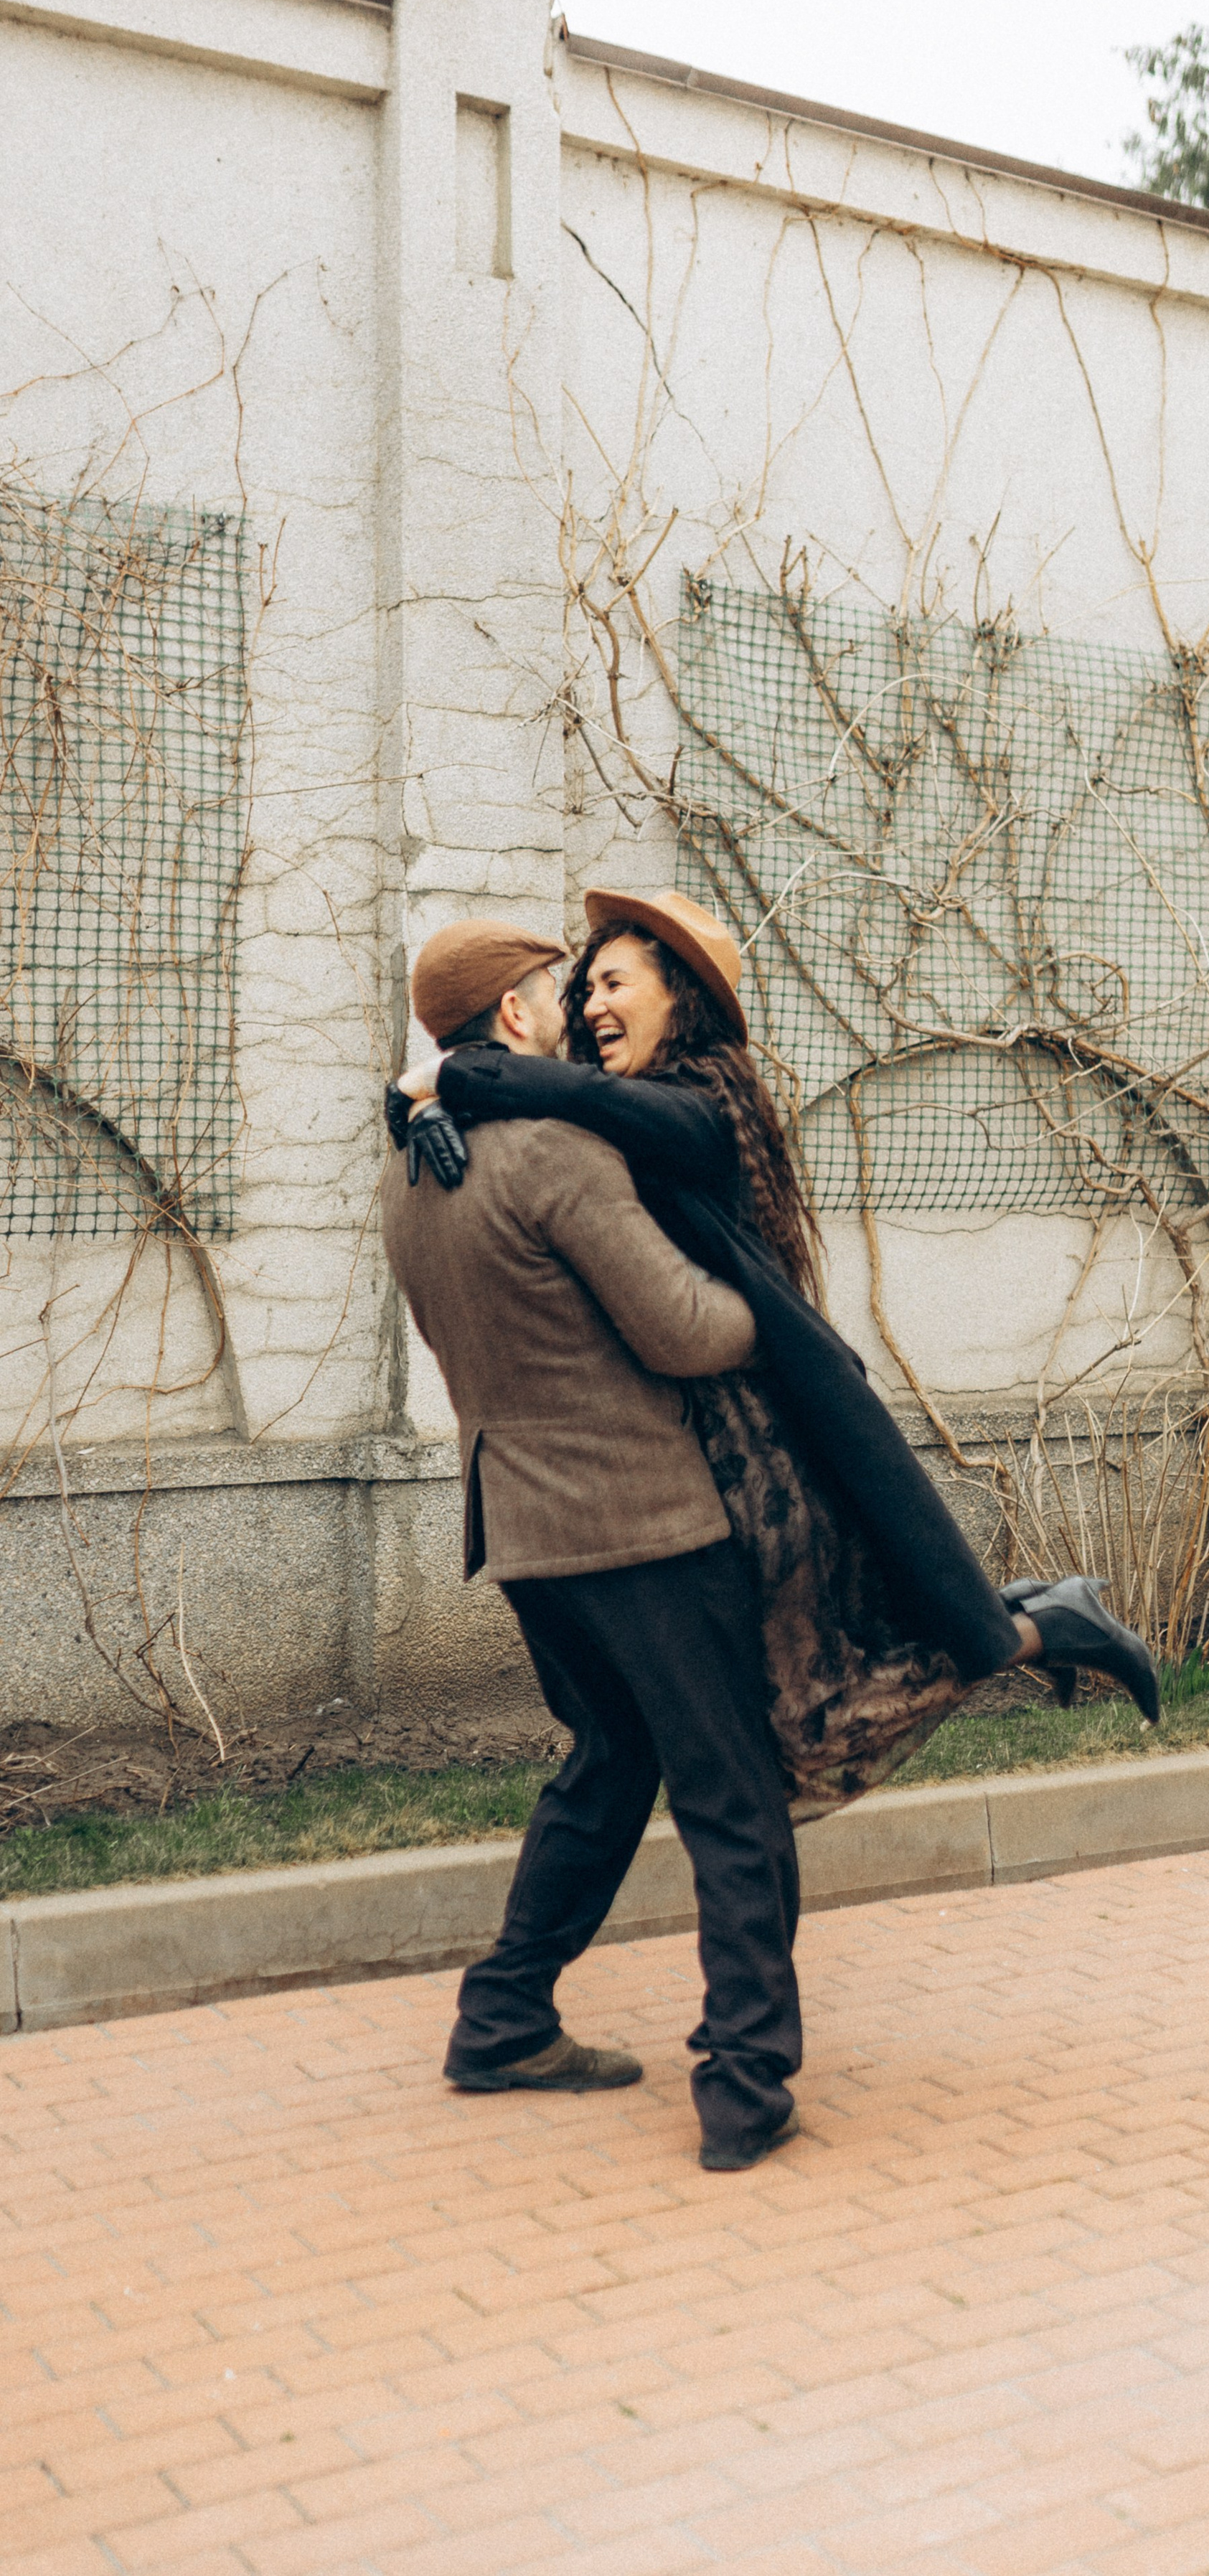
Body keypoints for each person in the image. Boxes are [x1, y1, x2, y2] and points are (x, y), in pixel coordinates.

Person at [394, 888, 1163, 1802]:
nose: (588, 1005)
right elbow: (553, 1116)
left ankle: (1046, 1628)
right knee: (788, 1700)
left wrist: (447, 1082)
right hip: (693, 1438)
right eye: (581, 986)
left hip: (764, 1434)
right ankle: (1029, 1629)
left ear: (679, 997)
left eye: (612, 982)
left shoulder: (702, 1103)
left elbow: (555, 1092)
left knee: (811, 1701)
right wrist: (418, 1105)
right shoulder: (611, 1107)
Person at [380, 918, 802, 2171]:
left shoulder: (413, 1168)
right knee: (733, 1794)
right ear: (513, 1019)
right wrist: (765, 1312)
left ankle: (504, 2017)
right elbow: (679, 1330)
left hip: (520, 1529)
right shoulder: (556, 1153)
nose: (571, 1010)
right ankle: (745, 2088)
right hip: (640, 1523)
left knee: (612, 1761)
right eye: (552, 993)